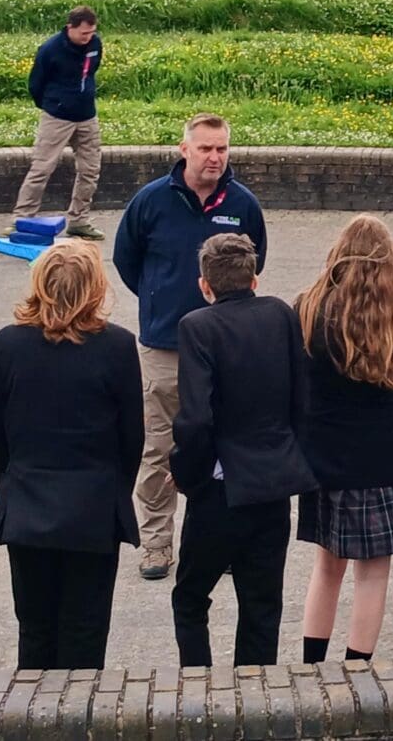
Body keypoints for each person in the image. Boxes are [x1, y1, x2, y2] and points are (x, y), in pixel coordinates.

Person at [114, 112, 267, 580]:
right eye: (205, 148)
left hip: (224, 348)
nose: (215, 157)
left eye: (222, 148)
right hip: (164, 346)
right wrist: (160, 302)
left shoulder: (243, 205)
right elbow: (127, 259)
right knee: (158, 447)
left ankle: (214, 540)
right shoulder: (150, 202)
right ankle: (157, 543)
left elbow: (253, 261)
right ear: (184, 150)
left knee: (221, 445)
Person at [0, 241, 143, 670]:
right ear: (94, 288)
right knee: (86, 632)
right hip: (93, 505)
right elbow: (133, 438)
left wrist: (14, 486)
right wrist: (111, 491)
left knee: (34, 629)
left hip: (28, 502)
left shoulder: (8, 345)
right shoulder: (118, 346)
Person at [295, 214, 393, 664]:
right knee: (373, 574)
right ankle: (357, 667)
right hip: (385, 454)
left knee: (326, 567)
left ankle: (311, 662)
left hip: (326, 455)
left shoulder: (308, 306)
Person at [169, 233, 315, 667]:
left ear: (204, 285)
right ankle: (255, 702)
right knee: (262, 606)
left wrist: (189, 475)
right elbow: (302, 397)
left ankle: (199, 687)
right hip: (272, 483)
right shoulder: (281, 315)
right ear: (255, 278)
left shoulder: (197, 327)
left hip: (220, 488)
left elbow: (195, 418)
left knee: (191, 597)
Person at [6, 6, 106, 241]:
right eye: (83, 33)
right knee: (41, 168)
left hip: (87, 116)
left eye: (92, 32)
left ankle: (79, 221)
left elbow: (92, 72)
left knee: (90, 170)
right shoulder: (50, 49)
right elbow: (36, 83)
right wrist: (54, 104)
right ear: (70, 27)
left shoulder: (95, 45)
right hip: (56, 117)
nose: (88, 38)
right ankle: (21, 219)